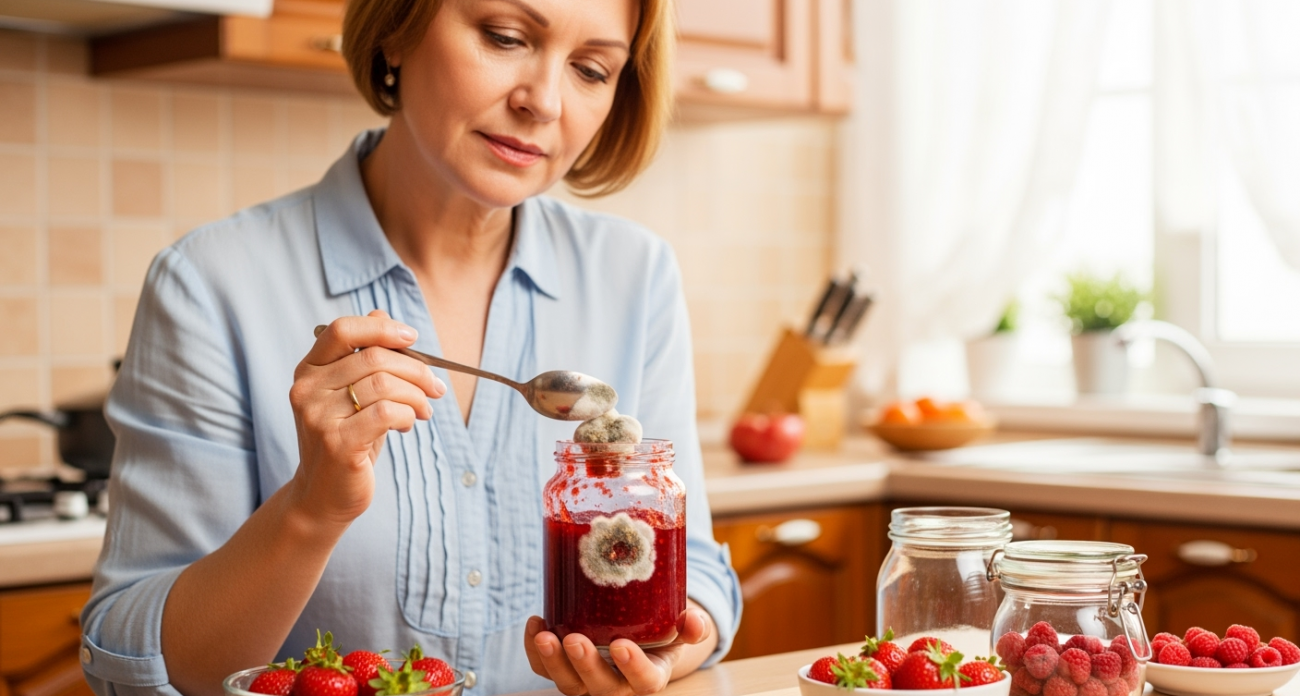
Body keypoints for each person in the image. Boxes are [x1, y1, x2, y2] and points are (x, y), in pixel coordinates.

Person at [78, 0, 742, 694]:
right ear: (397, 30)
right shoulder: (211, 285)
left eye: (591, 69)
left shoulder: (635, 276)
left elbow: (696, 574)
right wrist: (311, 506)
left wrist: (663, 650)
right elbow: (128, 660)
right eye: (505, 37)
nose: (543, 102)